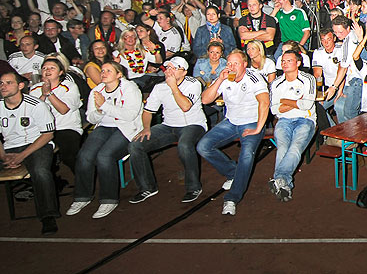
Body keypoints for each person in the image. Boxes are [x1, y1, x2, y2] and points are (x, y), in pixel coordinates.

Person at [197, 50, 270, 216]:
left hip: (251, 122)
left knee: (246, 156)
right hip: (231, 122)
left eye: (235, 63)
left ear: (244, 64)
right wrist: (219, 80)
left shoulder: (254, 78)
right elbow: (205, 99)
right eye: (229, 63)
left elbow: (264, 102)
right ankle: (233, 173)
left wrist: (258, 128)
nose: (231, 67)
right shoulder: (226, 77)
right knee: (203, 146)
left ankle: (232, 198)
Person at [67, 62, 143, 219]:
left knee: (104, 156)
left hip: (126, 128)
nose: (104, 73)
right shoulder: (97, 90)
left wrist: (105, 105)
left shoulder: (130, 88)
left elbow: (129, 115)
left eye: (109, 70)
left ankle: (109, 199)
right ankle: (82, 196)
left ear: (119, 74)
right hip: (104, 127)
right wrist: (100, 111)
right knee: (84, 155)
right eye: (102, 71)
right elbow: (91, 118)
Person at [128, 57, 206, 205]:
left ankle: (193, 187)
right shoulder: (160, 87)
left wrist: (173, 87)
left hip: (193, 124)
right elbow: (148, 111)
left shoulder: (193, 83)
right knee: (136, 145)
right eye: (167, 68)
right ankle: (147, 187)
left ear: (184, 72)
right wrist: (146, 128)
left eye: (173, 68)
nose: (168, 71)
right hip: (169, 125)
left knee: (184, 145)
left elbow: (185, 106)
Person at [0, 71, 59, 234]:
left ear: (20, 86)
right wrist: (3, 156)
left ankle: (48, 216)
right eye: (1, 83)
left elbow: (48, 135)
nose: (3, 86)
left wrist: (21, 156)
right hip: (10, 148)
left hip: (36, 144)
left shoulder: (36, 105)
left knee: (40, 172)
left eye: (8, 83)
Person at [268, 50, 317, 202]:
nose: (284, 63)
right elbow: (274, 110)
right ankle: (284, 184)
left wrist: (284, 101)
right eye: (283, 61)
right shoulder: (276, 83)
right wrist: (296, 102)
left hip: (305, 119)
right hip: (284, 120)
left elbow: (307, 105)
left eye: (289, 60)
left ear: (298, 63)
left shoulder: (308, 79)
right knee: (282, 148)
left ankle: (279, 178)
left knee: (295, 148)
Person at [30, 58, 82, 174]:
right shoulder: (35, 88)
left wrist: (49, 93)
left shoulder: (69, 86)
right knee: (36, 158)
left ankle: (82, 179)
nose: (47, 70)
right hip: (42, 131)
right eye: (44, 68)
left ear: (60, 72)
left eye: (52, 68)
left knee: (69, 156)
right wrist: (43, 96)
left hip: (65, 127)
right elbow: (33, 114)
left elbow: (63, 109)